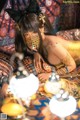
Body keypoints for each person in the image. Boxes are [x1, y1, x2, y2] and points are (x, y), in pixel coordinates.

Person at [6, 8, 80, 82]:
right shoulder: (37, 43)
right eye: (27, 34)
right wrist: (36, 52)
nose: (31, 38)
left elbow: (72, 65)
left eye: (34, 32)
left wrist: (51, 74)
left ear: (42, 29)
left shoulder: (53, 46)